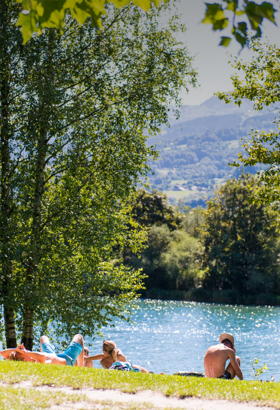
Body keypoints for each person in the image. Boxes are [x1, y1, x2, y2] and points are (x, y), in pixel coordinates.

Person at [0, 334, 84, 367]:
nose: (26, 350)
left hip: (50, 354)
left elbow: (2, 353)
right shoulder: (38, 363)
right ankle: (80, 369)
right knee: (79, 337)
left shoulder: (30, 359)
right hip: (68, 360)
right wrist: (24, 352)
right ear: (25, 359)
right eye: (22, 353)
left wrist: (17, 350)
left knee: (43, 338)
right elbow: (42, 357)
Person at [84, 339, 149, 373]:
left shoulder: (103, 360)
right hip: (128, 370)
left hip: (117, 371)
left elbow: (86, 359)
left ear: (104, 351)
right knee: (137, 367)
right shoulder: (120, 355)